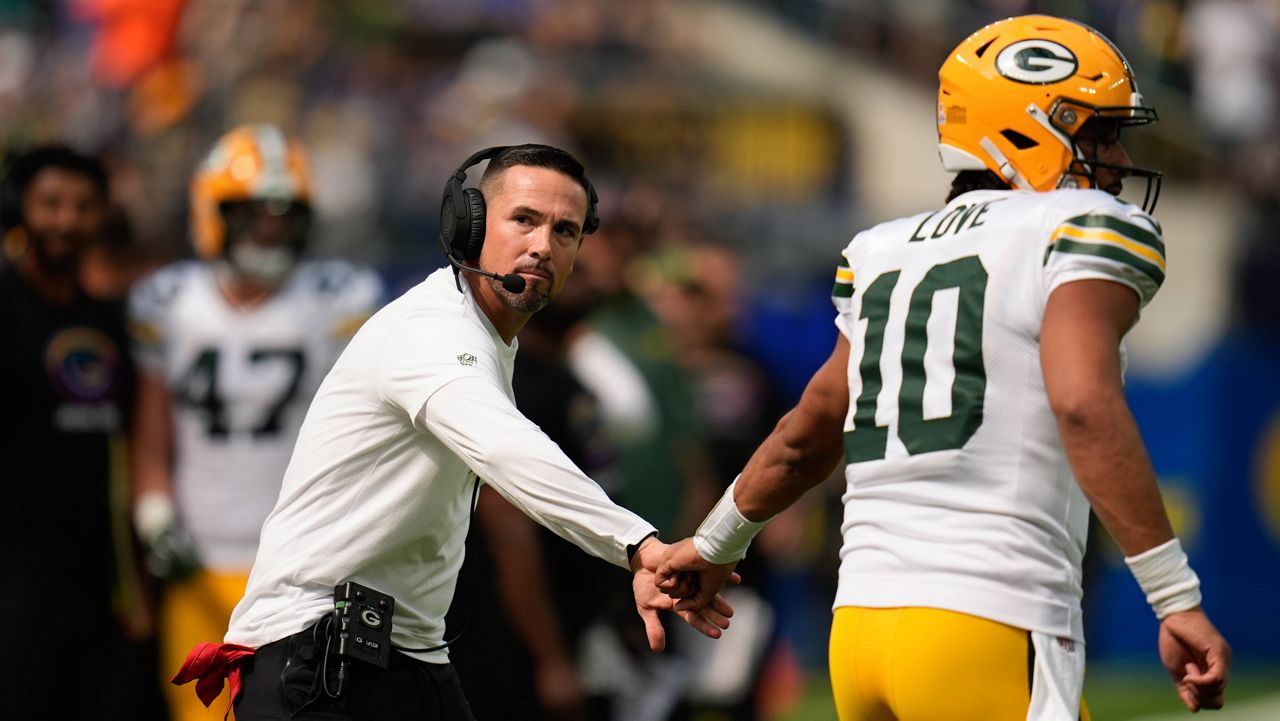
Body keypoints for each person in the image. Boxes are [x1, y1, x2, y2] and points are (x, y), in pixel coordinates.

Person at [658, 15, 1232, 721]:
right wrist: (1175, 597)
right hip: (987, 617)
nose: (1115, 157)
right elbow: (1082, 401)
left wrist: (716, 542)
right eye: (1097, 133)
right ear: (1023, 129)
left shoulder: (879, 249)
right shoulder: (1076, 224)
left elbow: (811, 426)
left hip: (860, 630)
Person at [172, 143, 734, 721]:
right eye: (524, 220)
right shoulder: (433, 331)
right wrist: (640, 546)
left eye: (565, 231)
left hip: (404, 655)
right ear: (466, 226)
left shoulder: (486, 337)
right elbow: (508, 449)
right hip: (314, 656)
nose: (543, 245)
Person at [127, 123, 385, 721]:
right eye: (253, 216)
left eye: (282, 216)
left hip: (302, 567)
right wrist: (155, 511)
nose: (270, 230)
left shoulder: (336, 298)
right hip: (199, 556)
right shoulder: (169, 302)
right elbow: (151, 433)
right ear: (213, 214)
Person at [0, 145, 137, 718]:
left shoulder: (108, 321)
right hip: (12, 574)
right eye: (51, 204)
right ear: (19, 210)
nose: (67, 221)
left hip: (93, 578)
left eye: (83, 206)